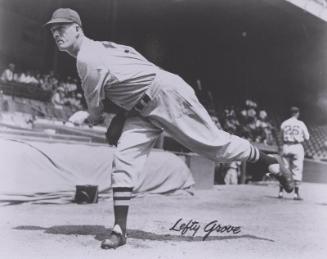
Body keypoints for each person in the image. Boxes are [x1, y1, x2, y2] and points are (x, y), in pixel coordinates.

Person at [45, 8, 295, 249]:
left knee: (216, 148)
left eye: (62, 27)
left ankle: (270, 161)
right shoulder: (103, 47)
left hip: (164, 95)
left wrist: (88, 118)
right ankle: (119, 230)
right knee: (123, 160)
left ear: (77, 29)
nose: (57, 33)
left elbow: (96, 113)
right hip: (140, 108)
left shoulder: (87, 58)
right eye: (54, 29)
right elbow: (135, 75)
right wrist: (122, 114)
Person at [279, 106, 310, 200]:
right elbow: (307, 137)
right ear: (297, 113)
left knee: (284, 169)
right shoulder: (300, 123)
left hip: (286, 146)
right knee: (297, 169)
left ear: (290, 113)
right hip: (297, 146)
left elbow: (280, 137)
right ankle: (296, 194)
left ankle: (280, 192)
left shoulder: (284, 123)